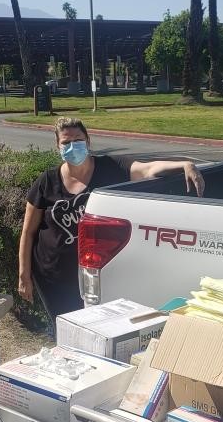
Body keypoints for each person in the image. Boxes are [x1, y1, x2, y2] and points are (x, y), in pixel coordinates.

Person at [18, 116, 205, 327]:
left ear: (88, 141)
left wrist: (184, 165)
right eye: (66, 142)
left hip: (100, 276)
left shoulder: (111, 168)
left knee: (98, 328)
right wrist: (24, 276)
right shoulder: (47, 181)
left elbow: (147, 170)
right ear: (57, 145)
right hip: (53, 275)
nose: (73, 146)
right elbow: (28, 232)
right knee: (63, 329)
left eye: (78, 140)